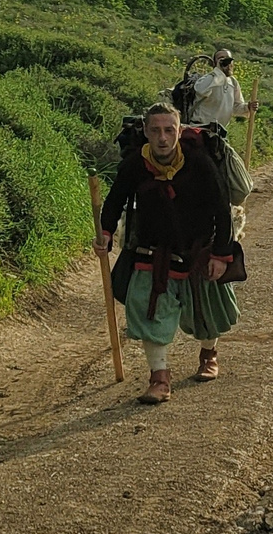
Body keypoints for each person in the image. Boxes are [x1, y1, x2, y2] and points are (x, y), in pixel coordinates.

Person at [99, 103, 237, 402]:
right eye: (156, 131)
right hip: (152, 251)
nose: (163, 138)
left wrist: (220, 255)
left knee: (208, 314)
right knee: (147, 308)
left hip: (199, 249)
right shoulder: (135, 164)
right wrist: (106, 232)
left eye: (169, 130)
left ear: (179, 131)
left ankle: (208, 355)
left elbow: (222, 209)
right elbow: (114, 200)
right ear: (146, 132)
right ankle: (159, 378)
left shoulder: (200, 162)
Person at [185, 48, 255, 131]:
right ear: (215, 63)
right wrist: (218, 70)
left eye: (228, 59)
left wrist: (248, 107)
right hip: (199, 129)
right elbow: (200, 91)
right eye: (221, 58)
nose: (226, 63)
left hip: (218, 133)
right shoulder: (208, 79)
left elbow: (235, 107)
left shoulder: (233, 82)